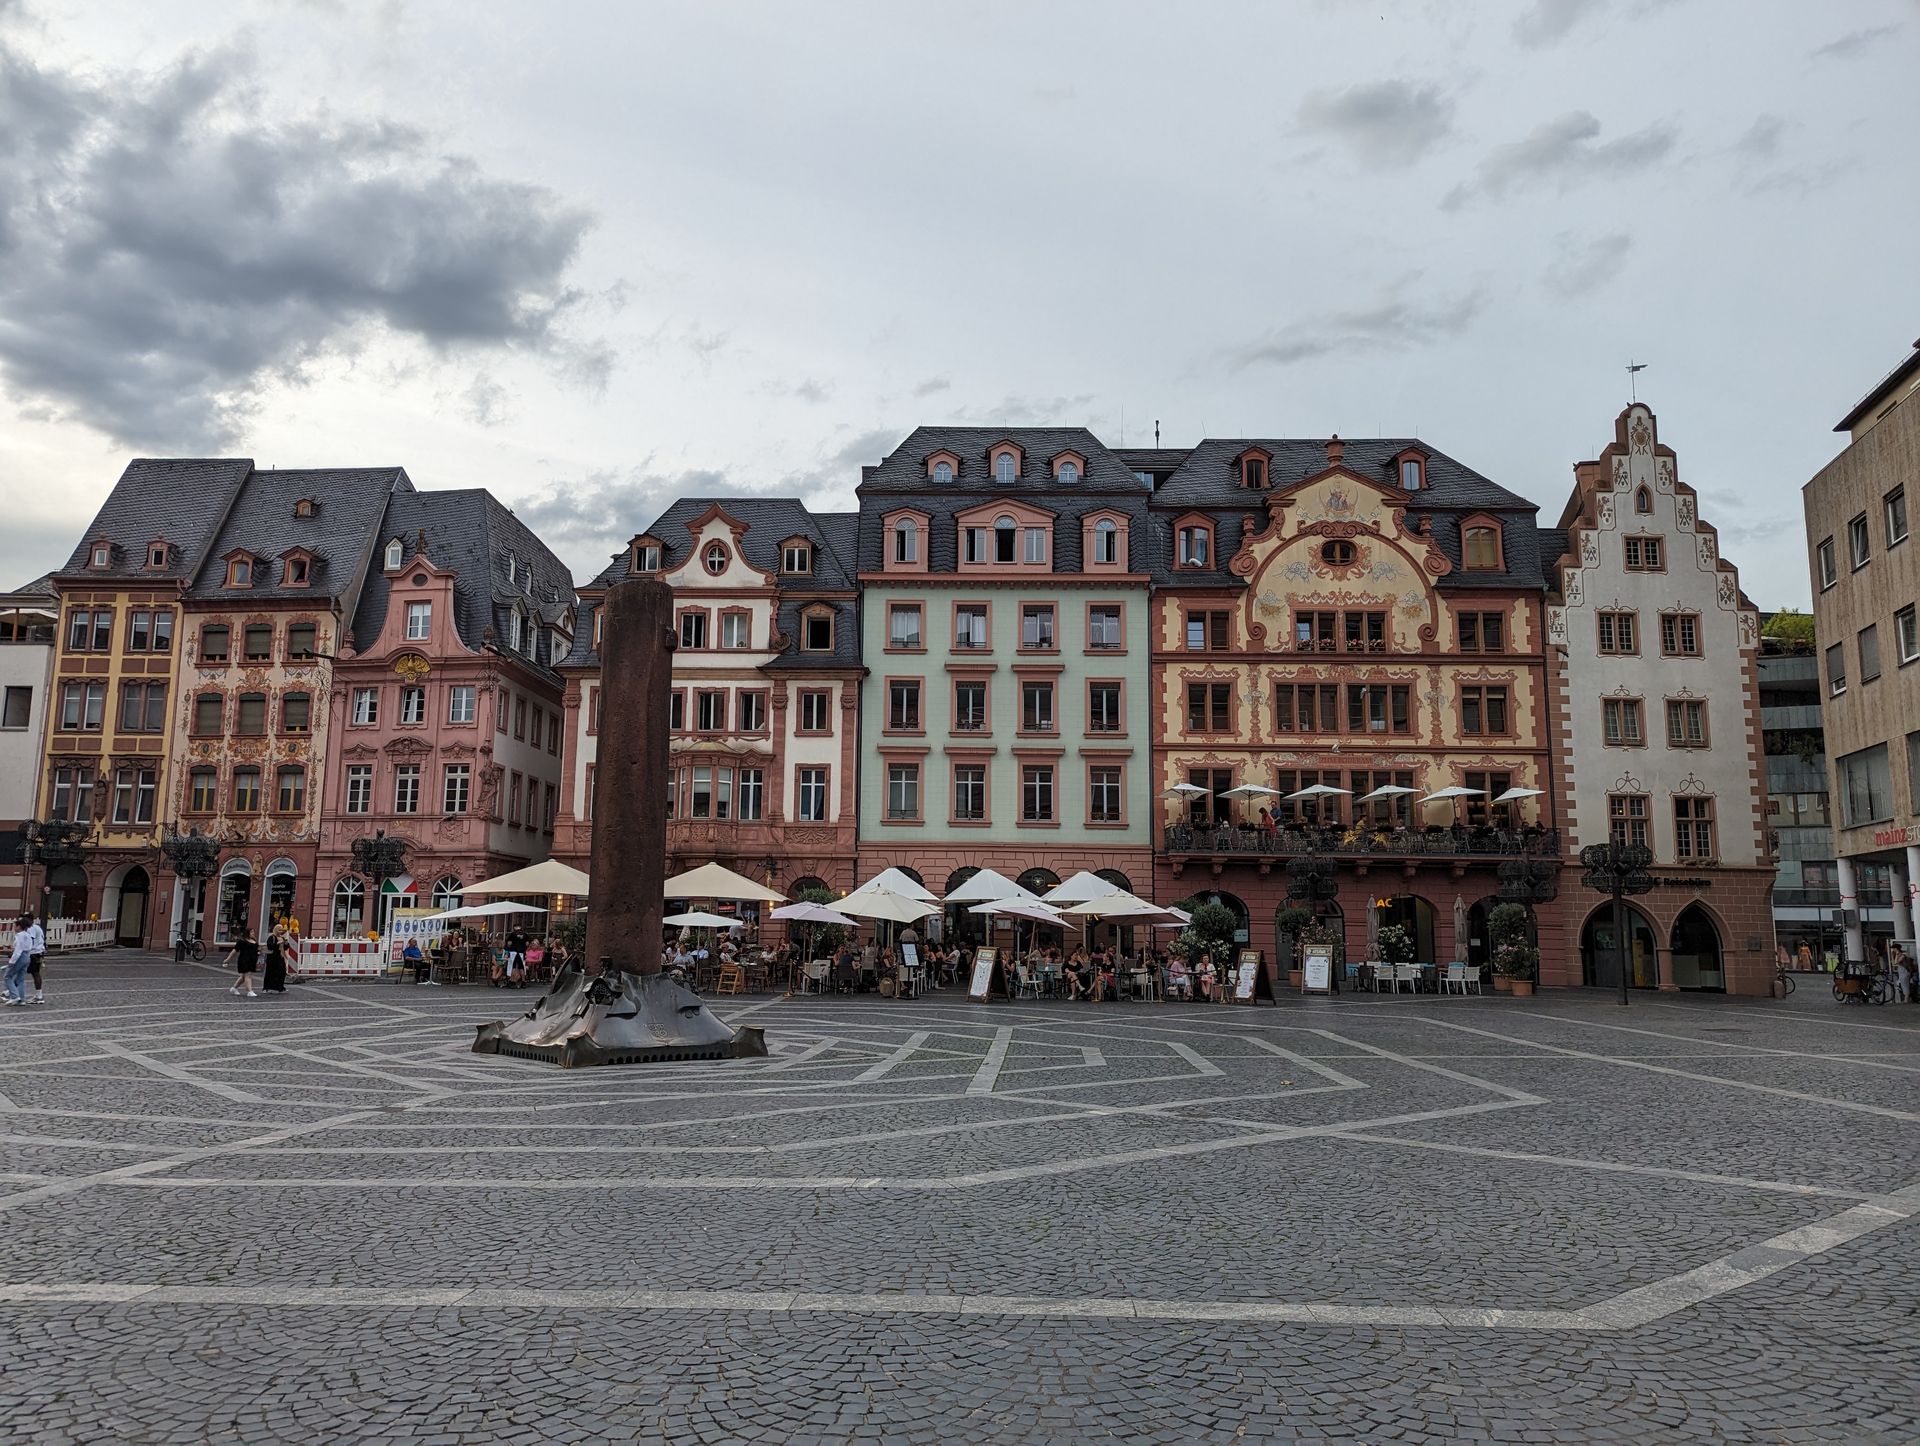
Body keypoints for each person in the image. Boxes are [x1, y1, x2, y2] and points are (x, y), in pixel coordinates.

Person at [4, 912, 34, 1005]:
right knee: (20, 978)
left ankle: (14, 996)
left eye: (15, 926)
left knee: (7, 977)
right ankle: (21, 998)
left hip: (20, 957)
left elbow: (18, 950)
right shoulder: (28, 935)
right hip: (27, 957)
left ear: (19, 926)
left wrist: (12, 961)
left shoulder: (19, 936)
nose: (14, 927)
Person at [224, 926, 260, 998]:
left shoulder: (254, 941)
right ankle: (249, 991)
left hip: (252, 960)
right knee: (248, 975)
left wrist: (259, 953)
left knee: (243, 976)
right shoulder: (242, 941)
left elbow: (257, 950)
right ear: (247, 933)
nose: (253, 933)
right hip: (244, 960)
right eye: (251, 932)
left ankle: (234, 988)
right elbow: (234, 951)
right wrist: (228, 959)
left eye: (253, 932)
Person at [20, 913, 46, 1004]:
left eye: (23, 918)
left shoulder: (31, 928)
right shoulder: (37, 927)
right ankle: (39, 995)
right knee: (34, 973)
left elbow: (29, 941)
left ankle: (11, 992)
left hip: (33, 953)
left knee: (20, 970)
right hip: (38, 952)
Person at [261, 929, 290, 994]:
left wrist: (286, 944)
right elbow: (270, 946)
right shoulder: (272, 937)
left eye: (281, 930)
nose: (281, 931)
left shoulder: (282, 938)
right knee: (270, 972)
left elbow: (285, 947)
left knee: (282, 972)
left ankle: (280, 987)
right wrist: (277, 943)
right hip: (272, 957)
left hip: (280, 957)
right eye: (279, 930)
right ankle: (266, 987)